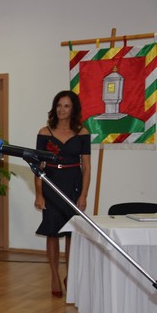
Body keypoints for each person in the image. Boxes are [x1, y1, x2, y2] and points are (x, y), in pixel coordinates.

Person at [34, 90, 91, 298]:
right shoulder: (44, 132)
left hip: (73, 185)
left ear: (73, 109)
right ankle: (54, 277)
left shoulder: (82, 133)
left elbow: (87, 167)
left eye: (66, 106)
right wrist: (39, 194)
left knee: (70, 232)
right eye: (58, 105)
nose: (62, 109)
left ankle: (70, 274)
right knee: (52, 232)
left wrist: (83, 195)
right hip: (50, 183)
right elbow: (37, 166)